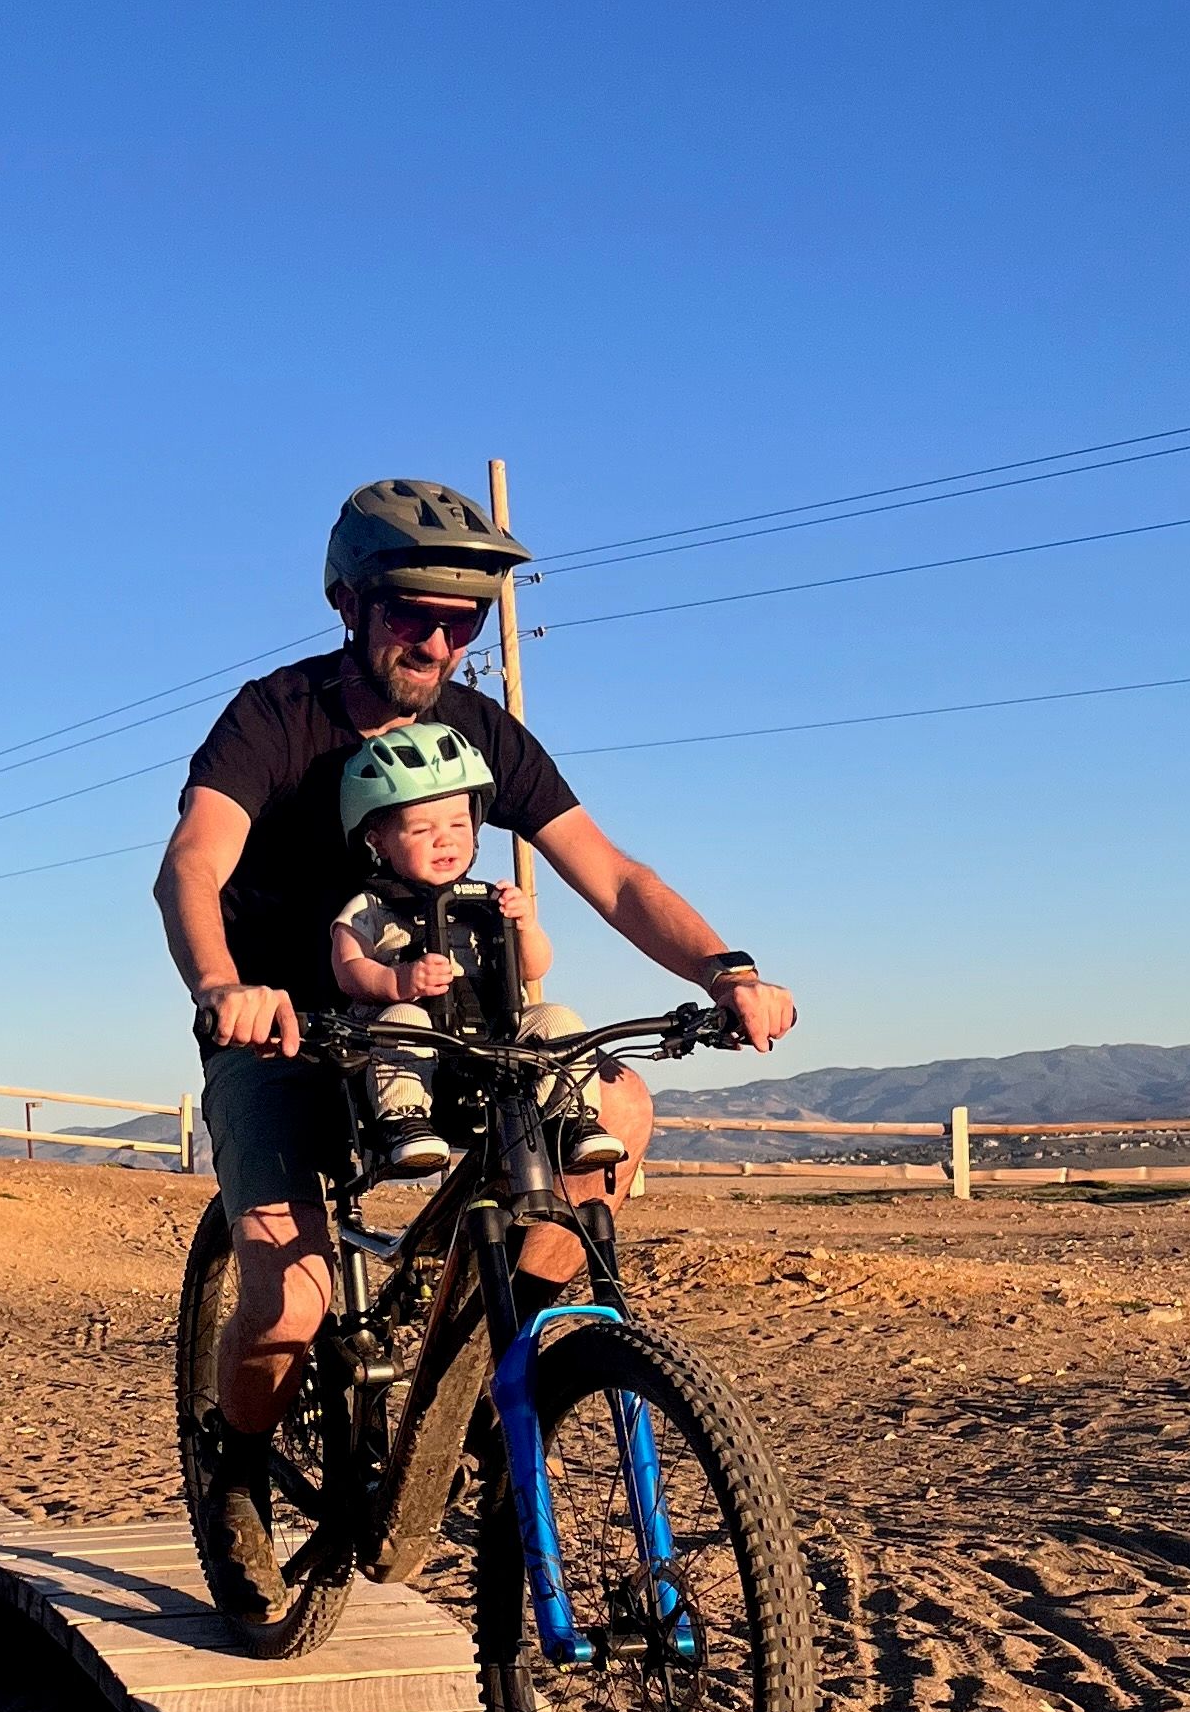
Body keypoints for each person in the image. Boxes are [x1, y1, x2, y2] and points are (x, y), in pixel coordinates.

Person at [154, 474, 796, 1613]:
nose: (441, 642)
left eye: (464, 622)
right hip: (290, 1038)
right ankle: (239, 1473)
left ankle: (473, 1380)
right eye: (416, 616)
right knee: (292, 1301)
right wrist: (225, 986)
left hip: (451, 1038)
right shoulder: (276, 717)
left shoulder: (481, 731)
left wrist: (724, 969)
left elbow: (614, 875)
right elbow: (192, 865)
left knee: (619, 1114)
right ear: (350, 604)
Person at [326, 722, 617, 1182]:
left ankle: (570, 1116)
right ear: (375, 840)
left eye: (459, 824)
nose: (446, 839)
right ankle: (405, 1118)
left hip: (492, 1037)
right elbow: (348, 967)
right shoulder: (373, 905)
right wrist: (398, 983)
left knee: (559, 1018)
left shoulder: (486, 900)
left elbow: (535, 967)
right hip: (416, 1037)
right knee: (406, 1020)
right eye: (422, 829)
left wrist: (524, 926)